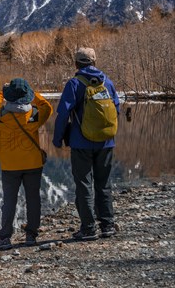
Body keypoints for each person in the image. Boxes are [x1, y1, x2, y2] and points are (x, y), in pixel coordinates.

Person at [52, 47, 119, 241]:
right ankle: (107, 225)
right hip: (106, 142)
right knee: (104, 183)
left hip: (81, 143)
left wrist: (58, 139)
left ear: (76, 64)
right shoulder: (108, 83)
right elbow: (116, 110)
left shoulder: (75, 83)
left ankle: (89, 228)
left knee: (84, 184)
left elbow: (63, 114)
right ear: (94, 62)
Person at [0, 78, 53, 250]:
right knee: (33, 199)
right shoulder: (34, 115)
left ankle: (5, 237)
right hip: (33, 164)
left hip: (10, 166)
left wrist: (2, 91)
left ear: (8, 96)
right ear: (27, 96)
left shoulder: (0, 116)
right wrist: (33, 93)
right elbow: (48, 107)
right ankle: (31, 235)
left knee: (9, 201)